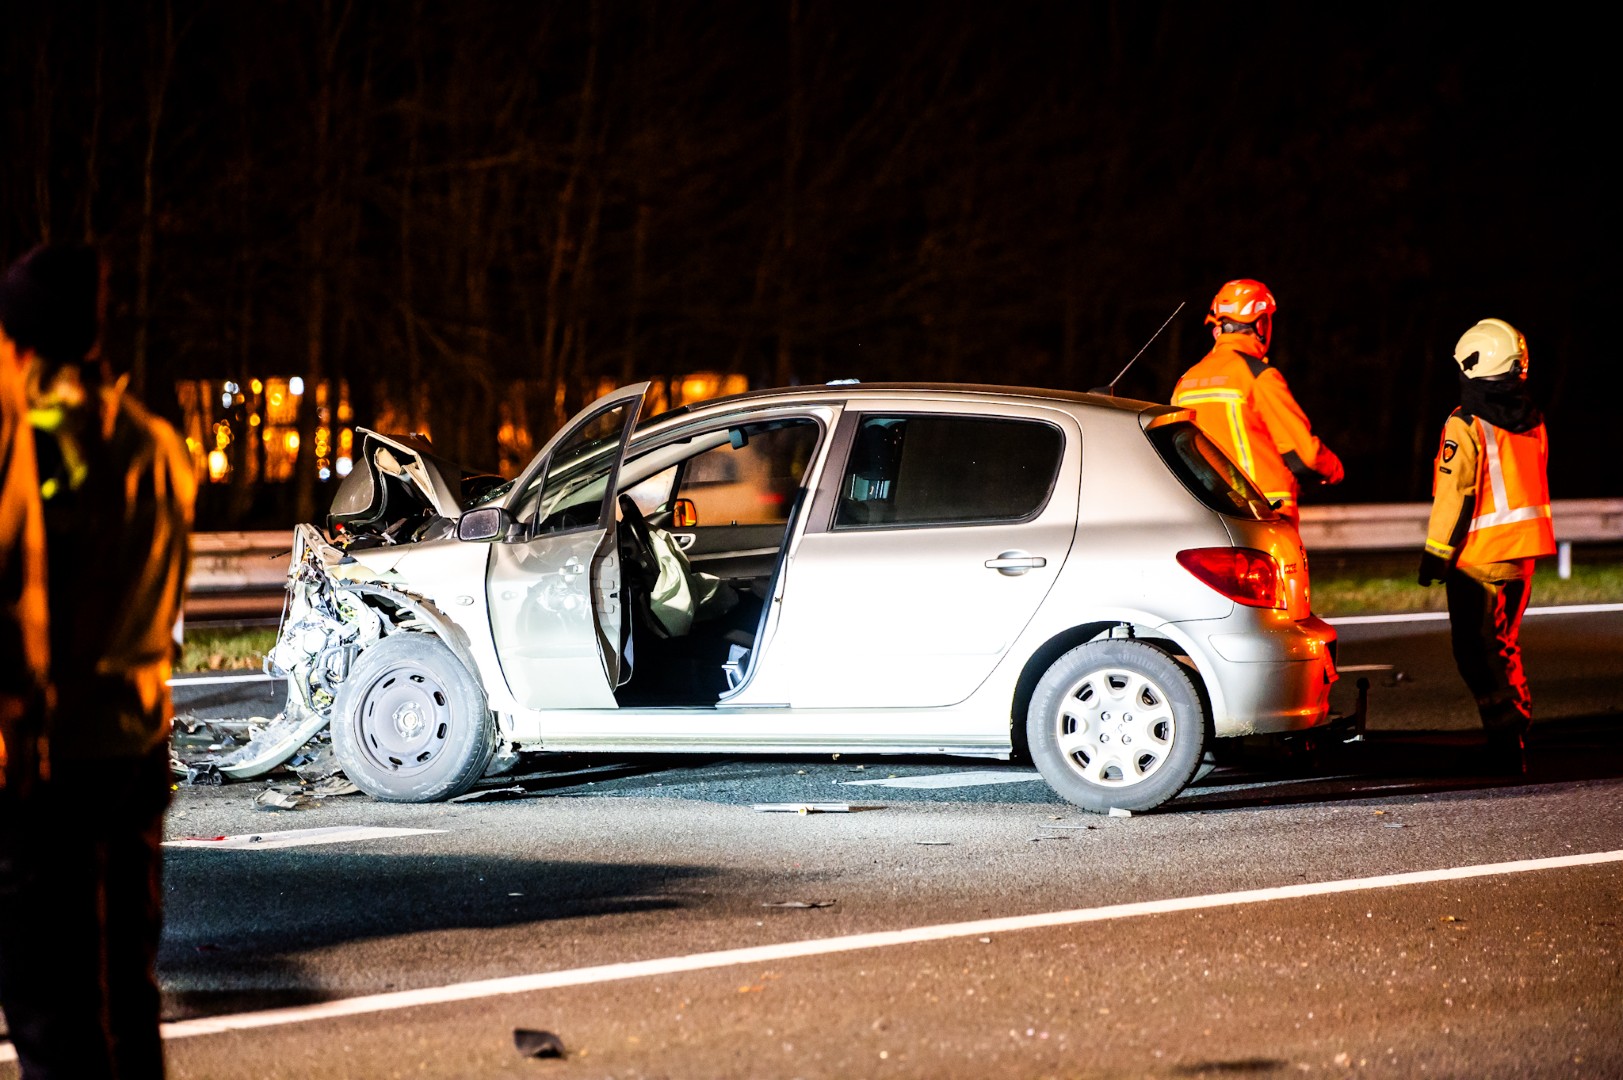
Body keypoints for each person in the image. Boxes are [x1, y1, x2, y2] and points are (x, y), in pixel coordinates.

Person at [0, 242, 195, 1078]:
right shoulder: (158, 444)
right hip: (138, 741)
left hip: (54, 756)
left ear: (18, 339)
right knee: (129, 993)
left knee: (55, 1008)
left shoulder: (34, 439)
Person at [1417, 318, 1554, 773]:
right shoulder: (1533, 420)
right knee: (1504, 647)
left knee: (1476, 655)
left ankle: (1506, 742)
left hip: (1479, 561)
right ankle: (1516, 733)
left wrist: (1436, 554)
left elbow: (1455, 494)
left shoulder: (1466, 422)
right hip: (1523, 555)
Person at [1172, 279, 1344, 526]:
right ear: (1261, 323)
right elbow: (1306, 455)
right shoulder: (1256, 375)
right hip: (1266, 510)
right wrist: (1334, 470)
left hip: (1209, 512)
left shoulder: (1185, 382)